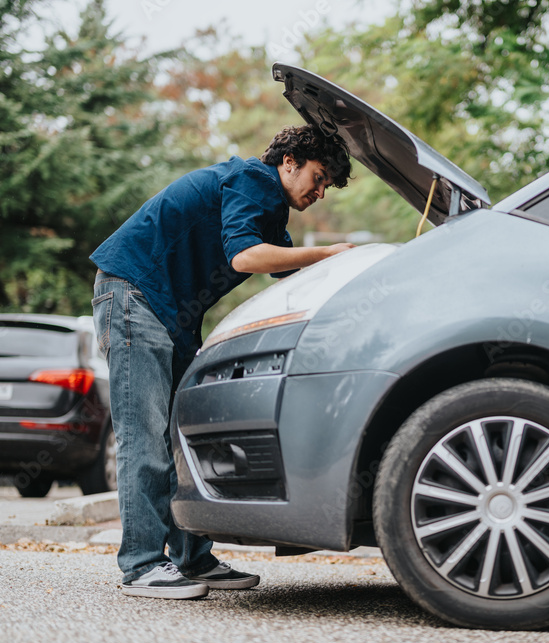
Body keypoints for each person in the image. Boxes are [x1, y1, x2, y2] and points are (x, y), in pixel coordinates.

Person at [89, 125, 353, 599]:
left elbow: (284, 265)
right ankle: (141, 565)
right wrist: (330, 251)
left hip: (171, 314)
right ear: (288, 161)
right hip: (133, 297)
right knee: (144, 437)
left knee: (177, 441)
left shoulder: (269, 211)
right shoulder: (252, 179)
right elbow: (245, 257)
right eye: (318, 177)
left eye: (326, 186)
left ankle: (191, 558)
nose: (319, 192)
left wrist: (343, 265)